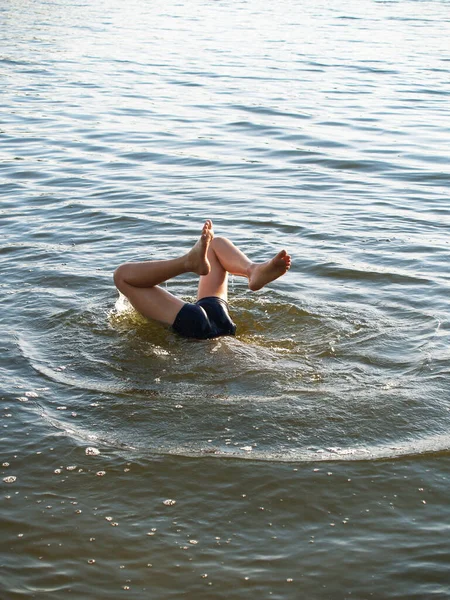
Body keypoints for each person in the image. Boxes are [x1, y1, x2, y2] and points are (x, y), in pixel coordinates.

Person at [113, 220, 291, 340]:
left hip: (198, 330)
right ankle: (252, 270)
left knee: (122, 277)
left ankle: (186, 263)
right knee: (214, 246)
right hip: (216, 314)